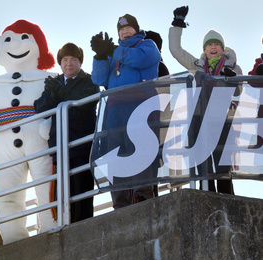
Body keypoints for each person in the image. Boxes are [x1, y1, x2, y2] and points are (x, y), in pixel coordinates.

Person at [0, 19, 57, 245]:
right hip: (1, 143)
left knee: (47, 187)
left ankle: (51, 229)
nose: (15, 45)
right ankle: (13, 240)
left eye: (24, 38)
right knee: (5, 196)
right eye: (8, 40)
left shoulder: (50, 80)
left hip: (40, 138)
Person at [169, 6, 243, 194]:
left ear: (222, 48)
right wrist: (178, 24)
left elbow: (240, 91)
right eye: (209, 45)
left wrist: (231, 79)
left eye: (216, 44)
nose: (212, 47)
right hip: (200, 120)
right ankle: (207, 202)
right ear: (204, 49)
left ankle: (227, 207)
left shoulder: (233, 66)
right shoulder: (197, 66)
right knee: (204, 167)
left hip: (224, 121)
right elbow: (175, 50)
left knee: (223, 168)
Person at [90, 14, 161, 209]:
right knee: (115, 154)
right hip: (114, 109)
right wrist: (101, 56)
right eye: (121, 30)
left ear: (136, 29)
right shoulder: (114, 54)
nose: (124, 31)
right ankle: (119, 204)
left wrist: (113, 49)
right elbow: (98, 79)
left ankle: (143, 197)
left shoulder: (147, 45)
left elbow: (140, 60)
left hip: (141, 104)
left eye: (128, 28)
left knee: (140, 150)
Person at [34, 43, 100, 223]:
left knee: (81, 193)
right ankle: (64, 227)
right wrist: (56, 93)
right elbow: (39, 107)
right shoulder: (54, 84)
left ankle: (84, 229)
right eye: (65, 60)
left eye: (73, 60)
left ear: (80, 62)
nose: (69, 64)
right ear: (60, 63)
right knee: (62, 195)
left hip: (81, 146)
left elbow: (86, 103)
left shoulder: (89, 80)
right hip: (59, 147)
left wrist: (60, 93)